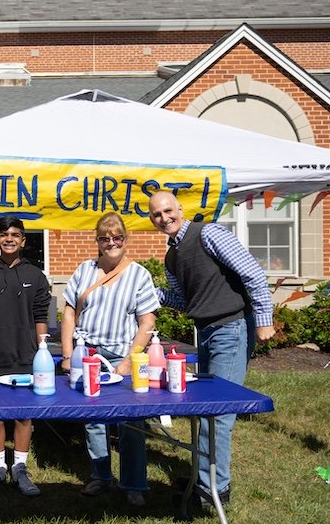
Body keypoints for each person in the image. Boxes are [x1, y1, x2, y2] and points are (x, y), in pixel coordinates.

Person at [147, 191, 274, 508]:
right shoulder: (171, 257)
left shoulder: (209, 233)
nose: (164, 218)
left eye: (168, 211)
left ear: (180, 209)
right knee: (203, 409)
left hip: (230, 329)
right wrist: (152, 292)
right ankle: (204, 477)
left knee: (217, 414)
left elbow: (253, 273)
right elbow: (187, 302)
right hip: (204, 332)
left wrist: (263, 320)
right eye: (157, 215)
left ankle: (212, 492)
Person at [60, 212, 160, 506]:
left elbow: (146, 322)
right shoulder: (84, 270)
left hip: (122, 354)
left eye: (117, 237)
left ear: (125, 239)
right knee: (93, 419)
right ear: (98, 241)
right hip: (87, 353)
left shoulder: (139, 274)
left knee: (131, 420)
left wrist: (130, 361)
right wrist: (68, 354)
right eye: (105, 238)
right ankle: (100, 476)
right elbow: (69, 313)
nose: (111, 243)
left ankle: (134, 484)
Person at [0, 216, 49, 497]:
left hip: (27, 354)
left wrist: (43, 351)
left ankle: (20, 466)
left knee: (23, 415)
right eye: (4, 234)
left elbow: (41, 316)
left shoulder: (36, 275)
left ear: (24, 240)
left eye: (16, 234)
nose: (9, 239)